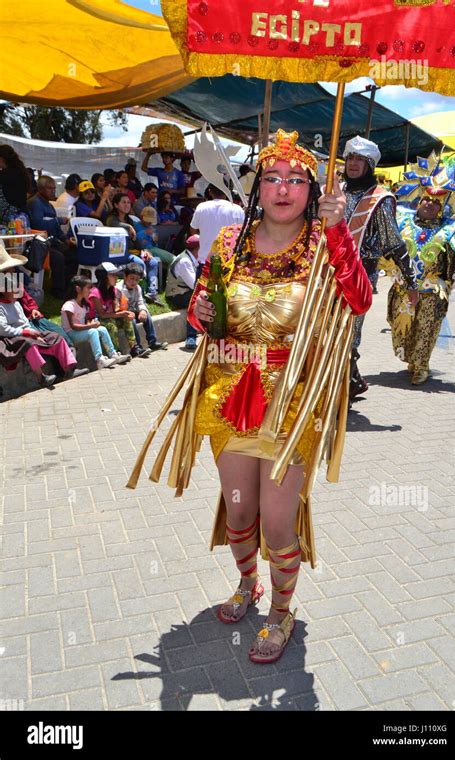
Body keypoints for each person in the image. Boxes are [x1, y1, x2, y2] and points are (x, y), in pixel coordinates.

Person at [130, 130, 372, 664]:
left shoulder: (322, 244)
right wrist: (202, 316)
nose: (283, 189)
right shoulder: (229, 242)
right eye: (272, 178)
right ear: (258, 186)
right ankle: (246, 583)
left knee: (278, 518)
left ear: (312, 190)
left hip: (293, 399)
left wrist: (339, 234)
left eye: (295, 180)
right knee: (241, 512)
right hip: (226, 393)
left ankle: (282, 613)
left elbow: (358, 301)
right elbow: (200, 306)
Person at [385, 155, 455, 384]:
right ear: (419, 200)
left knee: (426, 330)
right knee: (401, 333)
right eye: (427, 200)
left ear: (442, 207)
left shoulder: (452, 231)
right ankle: (412, 360)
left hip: (432, 292)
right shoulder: (402, 222)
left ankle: (421, 366)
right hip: (402, 289)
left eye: (436, 203)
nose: (430, 204)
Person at [341, 135, 418, 400]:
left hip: (358, 277)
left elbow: (394, 244)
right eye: (350, 158)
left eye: (359, 160)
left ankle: (344, 388)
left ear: (369, 165)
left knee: (348, 335)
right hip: (324, 275)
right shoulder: (335, 189)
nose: (353, 164)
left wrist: (411, 282)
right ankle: (348, 380)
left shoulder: (379, 199)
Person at [0, 252, 88, 386]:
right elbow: (4, 327)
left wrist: (34, 311)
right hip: (14, 334)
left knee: (57, 335)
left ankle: (69, 369)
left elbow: (26, 302)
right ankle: (43, 377)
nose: (12, 271)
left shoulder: (15, 288)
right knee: (29, 342)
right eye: (8, 269)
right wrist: (28, 332)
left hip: (29, 322)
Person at [27, 176, 79, 299]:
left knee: (74, 254)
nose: (53, 191)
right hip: (39, 243)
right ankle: (58, 290)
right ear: (41, 189)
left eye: (54, 188)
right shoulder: (35, 203)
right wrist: (58, 220)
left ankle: (67, 286)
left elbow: (56, 230)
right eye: (50, 188)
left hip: (52, 240)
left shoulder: (49, 205)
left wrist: (66, 239)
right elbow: (38, 225)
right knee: (58, 257)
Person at [106, 193, 162, 305]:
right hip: (120, 253)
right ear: (116, 205)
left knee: (153, 262)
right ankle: (140, 294)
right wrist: (128, 226)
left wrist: (143, 250)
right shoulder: (111, 218)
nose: (127, 205)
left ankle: (152, 293)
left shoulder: (129, 220)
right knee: (140, 263)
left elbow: (135, 239)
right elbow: (114, 224)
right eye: (123, 202)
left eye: (128, 202)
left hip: (134, 251)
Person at [61, 275, 124, 370]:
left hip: (80, 331)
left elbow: (85, 321)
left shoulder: (84, 305)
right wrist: (90, 326)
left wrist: (92, 323)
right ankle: (99, 359)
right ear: (78, 289)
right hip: (71, 334)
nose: (90, 291)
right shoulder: (69, 305)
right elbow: (73, 326)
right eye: (88, 288)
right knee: (93, 332)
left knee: (102, 329)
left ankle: (113, 353)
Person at [190, 184, 245, 272]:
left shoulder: (201, 207)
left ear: (210, 192)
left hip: (205, 260)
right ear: (227, 192)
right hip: (229, 262)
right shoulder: (237, 209)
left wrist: (203, 239)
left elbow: (193, 230)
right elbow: (243, 234)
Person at [116, 263, 168, 354]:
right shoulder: (118, 289)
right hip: (122, 315)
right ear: (125, 276)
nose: (134, 282)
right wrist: (127, 313)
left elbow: (140, 302)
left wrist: (143, 311)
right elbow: (117, 307)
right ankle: (137, 347)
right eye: (132, 278)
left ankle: (152, 342)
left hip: (132, 312)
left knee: (146, 314)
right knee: (131, 320)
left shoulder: (138, 288)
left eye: (137, 280)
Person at [88, 262, 137, 359]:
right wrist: (120, 314)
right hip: (97, 320)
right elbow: (102, 315)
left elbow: (115, 310)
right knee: (111, 325)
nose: (116, 277)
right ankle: (116, 351)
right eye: (112, 275)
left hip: (110, 317)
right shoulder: (95, 293)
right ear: (104, 277)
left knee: (126, 319)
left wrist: (125, 312)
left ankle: (134, 348)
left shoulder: (113, 291)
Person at [165, 234, 200, 351]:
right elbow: (194, 285)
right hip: (176, 294)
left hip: (185, 291)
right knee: (195, 301)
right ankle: (191, 337)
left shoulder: (191, 258)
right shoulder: (185, 261)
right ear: (197, 249)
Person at [0, 145, 30, 223]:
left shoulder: (4, 175)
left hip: (8, 219)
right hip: (22, 216)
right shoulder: (20, 171)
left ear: (1, 158)